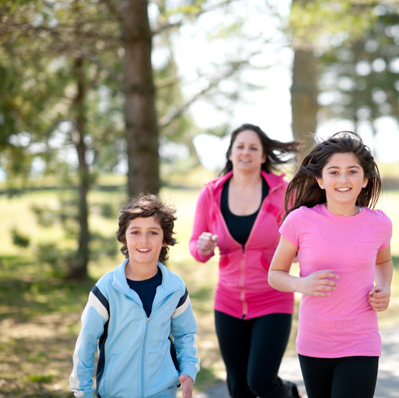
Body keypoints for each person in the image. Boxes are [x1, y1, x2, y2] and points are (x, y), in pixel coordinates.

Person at [268, 131, 394, 398]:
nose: (343, 179)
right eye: (334, 172)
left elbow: (383, 261)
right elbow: (275, 274)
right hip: (315, 342)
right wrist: (302, 284)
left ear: (365, 179)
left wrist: (384, 288)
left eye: (352, 171)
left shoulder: (379, 223)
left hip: (361, 340)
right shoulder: (300, 220)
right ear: (320, 180)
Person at [189, 123, 300, 398]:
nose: (245, 152)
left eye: (253, 147)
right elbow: (195, 247)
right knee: (238, 387)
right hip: (227, 302)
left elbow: (303, 236)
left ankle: (290, 393)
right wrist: (202, 247)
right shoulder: (211, 194)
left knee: (260, 381)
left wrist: (298, 252)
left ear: (263, 156)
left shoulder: (284, 193)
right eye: (240, 146)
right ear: (230, 153)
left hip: (273, 298)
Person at [70, 194, 200, 398]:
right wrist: (83, 392)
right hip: (115, 393)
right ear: (124, 238)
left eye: (153, 233)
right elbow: (86, 343)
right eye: (136, 232)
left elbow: (185, 336)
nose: (144, 240)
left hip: (163, 392)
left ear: (165, 239)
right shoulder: (107, 288)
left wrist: (189, 371)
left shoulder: (175, 288)